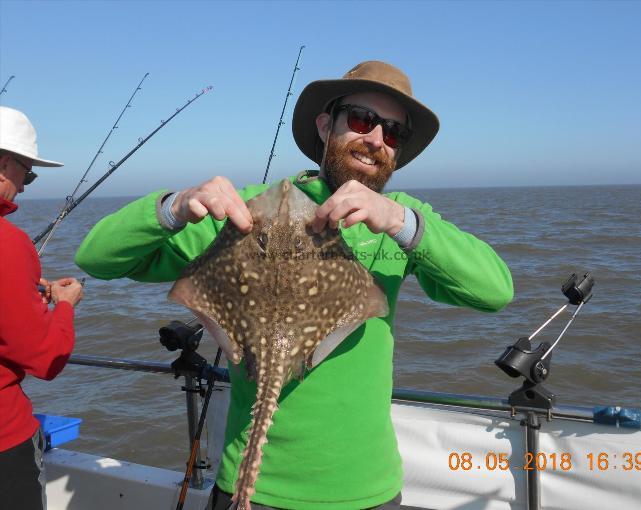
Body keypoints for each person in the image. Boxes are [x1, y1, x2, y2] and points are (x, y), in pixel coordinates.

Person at [75, 61, 513, 509]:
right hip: (255, 485)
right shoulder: (250, 213)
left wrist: (400, 221)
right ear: (326, 125)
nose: (376, 139)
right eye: (362, 120)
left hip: (369, 489)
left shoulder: (401, 218)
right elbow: (97, 258)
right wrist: (175, 206)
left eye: (393, 132)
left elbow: (494, 290)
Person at [0, 106, 84, 510]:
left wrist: (24, 291)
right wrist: (64, 306)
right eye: (27, 173)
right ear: (3, 164)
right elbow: (46, 359)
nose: (27, 185)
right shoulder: (9, 244)